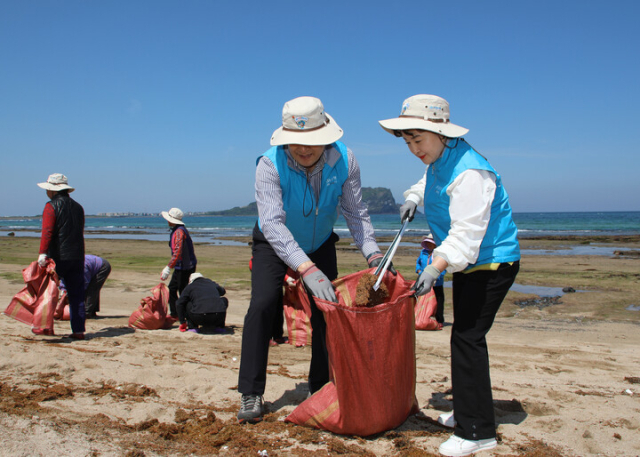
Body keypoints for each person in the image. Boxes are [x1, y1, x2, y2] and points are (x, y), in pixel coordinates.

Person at [379, 94, 520, 456]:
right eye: (408, 141)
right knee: (465, 337)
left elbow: (467, 234)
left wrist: (436, 266)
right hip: (472, 264)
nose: (414, 149)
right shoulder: (441, 158)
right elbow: (428, 183)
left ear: (440, 133)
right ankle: (468, 412)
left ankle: (476, 433)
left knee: (467, 339)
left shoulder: (471, 171)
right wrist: (413, 197)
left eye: (418, 140)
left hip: (491, 263)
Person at [237, 96, 389, 424]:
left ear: (326, 136)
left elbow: (355, 212)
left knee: (327, 311)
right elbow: (273, 223)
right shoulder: (268, 164)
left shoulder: (345, 160)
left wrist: (374, 254)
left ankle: (319, 385)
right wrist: (304, 267)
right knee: (262, 305)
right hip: (273, 242)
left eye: (311, 143)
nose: (303, 150)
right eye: (295, 143)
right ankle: (251, 392)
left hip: (319, 242)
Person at [36, 173, 86, 340]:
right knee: (77, 295)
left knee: (48, 293)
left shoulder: (51, 206)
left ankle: (45, 327)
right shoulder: (79, 207)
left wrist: (42, 253)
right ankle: (78, 331)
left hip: (57, 257)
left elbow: (47, 232)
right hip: (77, 255)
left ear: (52, 190)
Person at [160, 208, 197, 318]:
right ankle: (175, 313)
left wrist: (168, 267)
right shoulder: (177, 230)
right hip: (181, 266)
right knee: (172, 288)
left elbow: (178, 251)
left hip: (185, 267)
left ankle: (185, 315)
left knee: (183, 291)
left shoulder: (179, 232)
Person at [415, 235, 446, 327]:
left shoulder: (439, 254)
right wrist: (419, 270)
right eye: (427, 243)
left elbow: (443, 268)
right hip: (423, 279)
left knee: (439, 301)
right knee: (421, 299)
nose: (428, 245)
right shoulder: (423, 252)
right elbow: (418, 263)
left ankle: (439, 320)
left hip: (437, 282)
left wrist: (437, 277)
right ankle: (421, 317)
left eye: (430, 243)